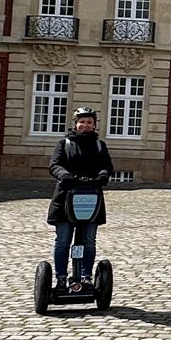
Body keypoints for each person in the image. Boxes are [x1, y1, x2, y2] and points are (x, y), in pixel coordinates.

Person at [48, 107, 114, 293]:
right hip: (65, 198)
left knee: (89, 241)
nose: (85, 125)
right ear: (76, 123)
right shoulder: (65, 143)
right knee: (63, 240)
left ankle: (85, 277)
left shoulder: (99, 145)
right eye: (82, 122)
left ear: (94, 125)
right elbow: (55, 165)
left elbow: (106, 165)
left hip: (91, 198)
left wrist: (102, 175)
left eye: (89, 122)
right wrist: (65, 175)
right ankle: (61, 278)